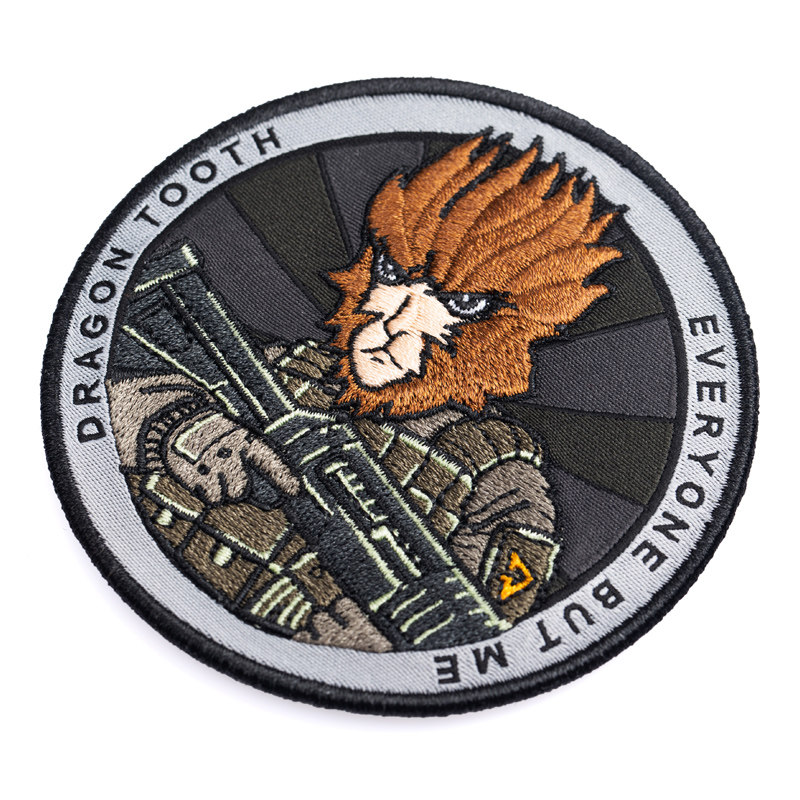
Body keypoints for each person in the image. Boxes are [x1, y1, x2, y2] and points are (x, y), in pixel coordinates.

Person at [107, 134, 621, 651]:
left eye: (460, 304)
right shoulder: (277, 370)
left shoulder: (494, 468)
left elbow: (504, 607)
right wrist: (179, 428)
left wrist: (378, 650)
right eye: (392, 272)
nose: (398, 322)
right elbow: (113, 397)